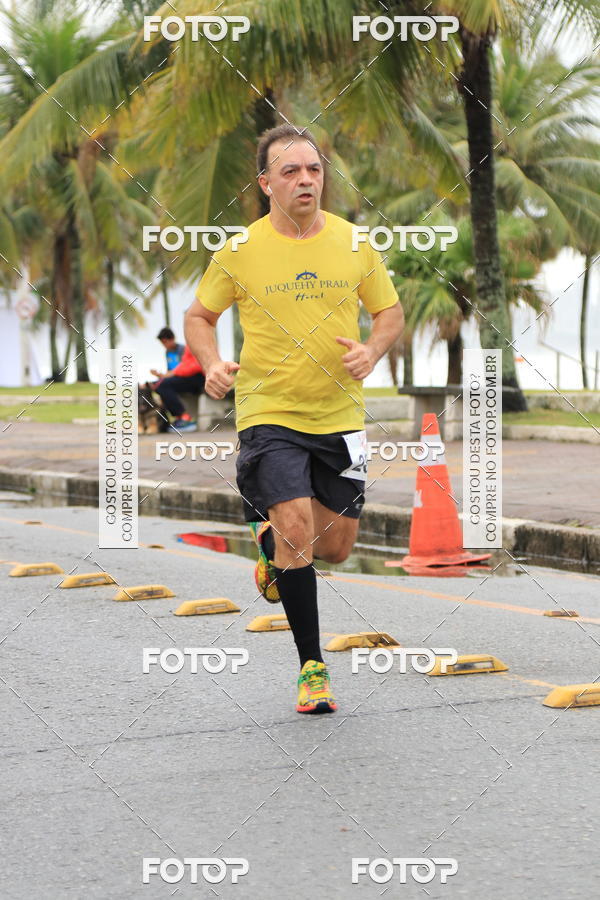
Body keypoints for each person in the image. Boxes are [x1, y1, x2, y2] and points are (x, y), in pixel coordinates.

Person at [184, 124, 404, 714]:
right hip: (268, 411)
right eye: (290, 171)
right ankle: (312, 668)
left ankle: (267, 545)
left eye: (314, 169)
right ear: (265, 184)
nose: (306, 179)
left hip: (338, 414)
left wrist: (371, 351)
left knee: (334, 547)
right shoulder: (240, 250)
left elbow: (389, 313)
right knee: (296, 523)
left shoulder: (355, 243)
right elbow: (199, 317)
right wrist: (210, 363)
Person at [153, 344, 205, 433]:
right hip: (189, 375)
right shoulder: (189, 342)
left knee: (163, 385)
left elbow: (195, 366)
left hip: (199, 377)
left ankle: (185, 418)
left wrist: (174, 373)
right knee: (157, 384)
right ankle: (177, 418)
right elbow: (184, 365)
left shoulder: (198, 340)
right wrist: (165, 375)